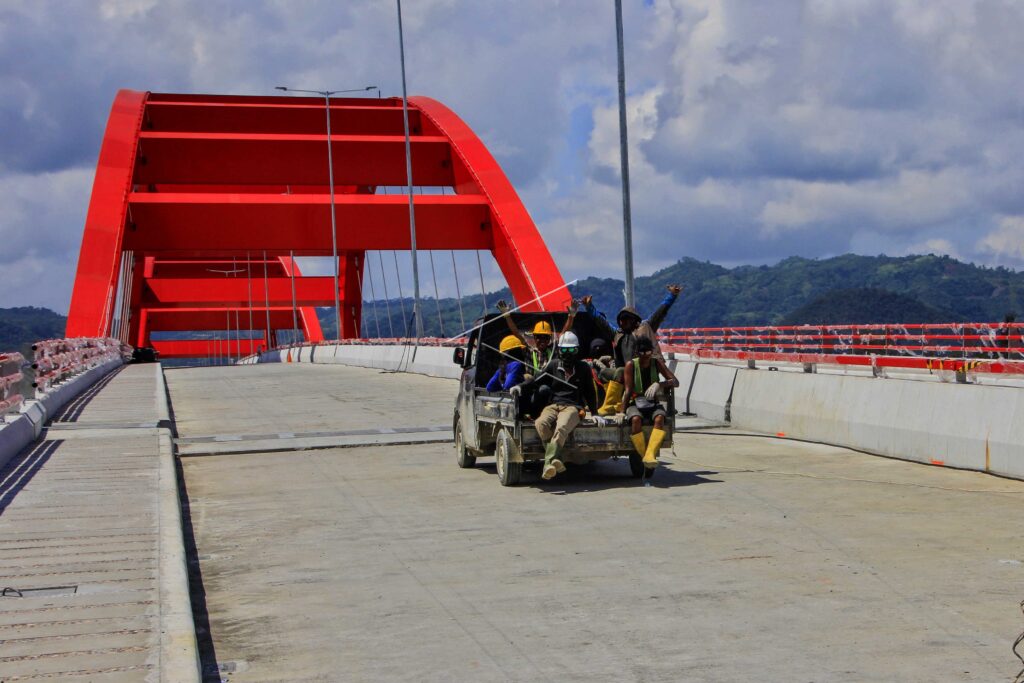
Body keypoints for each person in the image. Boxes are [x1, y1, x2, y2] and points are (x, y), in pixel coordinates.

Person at [513, 331, 599, 480]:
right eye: (564, 350)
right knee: (540, 423)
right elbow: (536, 380)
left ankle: (547, 463)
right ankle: (555, 458)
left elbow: (590, 392)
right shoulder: (553, 365)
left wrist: (595, 413)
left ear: (577, 350)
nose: (568, 353)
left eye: (571, 350)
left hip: (573, 407)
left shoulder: (583, 368)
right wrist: (520, 387)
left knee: (561, 428)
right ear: (559, 350)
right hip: (554, 404)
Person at [586, 284, 683, 415]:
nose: (622, 322)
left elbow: (661, 312)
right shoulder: (617, 334)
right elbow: (602, 322)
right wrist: (589, 307)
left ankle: (611, 406)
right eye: (620, 319)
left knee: (620, 371)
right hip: (627, 373)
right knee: (599, 371)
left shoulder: (646, 327)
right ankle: (611, 404)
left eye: (626, 319)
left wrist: (672, 296)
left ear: (634, 319)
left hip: (645, 372)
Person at [621, 336, 679, 469]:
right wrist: (621, 411)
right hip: (635, 402)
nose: (645, 355)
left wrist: (660, 384)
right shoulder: (631, 365)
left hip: (652, 402)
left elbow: (675, 382)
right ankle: (643, 454)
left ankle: (650, 454)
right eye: (642, 352)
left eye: (648, 352)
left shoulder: (656, 363)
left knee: (659, 418)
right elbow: (628, 390)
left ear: (651, 352)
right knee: (636, 419)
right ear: (637, 353)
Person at [495, 298, 581, 375]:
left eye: (545, 337)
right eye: (539, 337)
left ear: (550, 338)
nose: (542, 340)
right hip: (532, 386)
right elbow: (517, 333)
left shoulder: (553, 349)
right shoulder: (529, 351)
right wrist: (507, 316)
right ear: (534, 338)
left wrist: (571, 316)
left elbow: (564, 333)